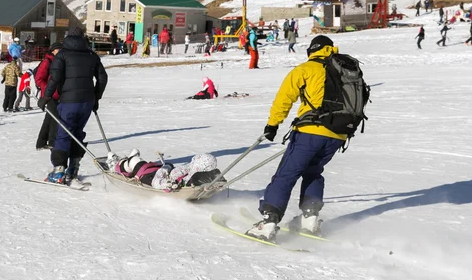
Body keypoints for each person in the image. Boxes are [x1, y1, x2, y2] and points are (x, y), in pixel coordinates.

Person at [245, 36, 347, 241]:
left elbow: (285, 98)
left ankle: (268, 222)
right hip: (338, 134)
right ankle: (310, 219)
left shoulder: (306, 69)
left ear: (312, 51)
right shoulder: (344, 70)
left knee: (286, 175)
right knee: (313, 172)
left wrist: (273, 125)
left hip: (310, 132)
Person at [38, 27, 108, 184]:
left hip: (69, 101)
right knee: (77, 133)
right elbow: (103, 78)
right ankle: (73, 168)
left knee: (63, 134)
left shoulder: (62, 55)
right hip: (87, 102)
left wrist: (46, 97)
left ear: (67, 38)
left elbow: (54, 78)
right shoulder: (91, 55)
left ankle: (59, 171)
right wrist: (96, 98)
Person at [110, 150, 222, 191]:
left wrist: (166, 175)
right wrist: (167, 167)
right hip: (158, 172)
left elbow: (156, 182)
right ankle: (126, 160)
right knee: (137, 162)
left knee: (135, 162)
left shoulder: (191, 175)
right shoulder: (198, 174)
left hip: (150, 176)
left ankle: (117, 164)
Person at [35, 42, 63, 150]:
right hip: (48, 95)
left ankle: (41, 142)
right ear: (53, 51)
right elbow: (39, 79)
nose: (59, 51)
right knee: (55, 118)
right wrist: (48, 88)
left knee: (49, 118)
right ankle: (51, 141)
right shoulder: (47, 61)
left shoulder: (59, 61)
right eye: (58, 49)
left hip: (57, 94)